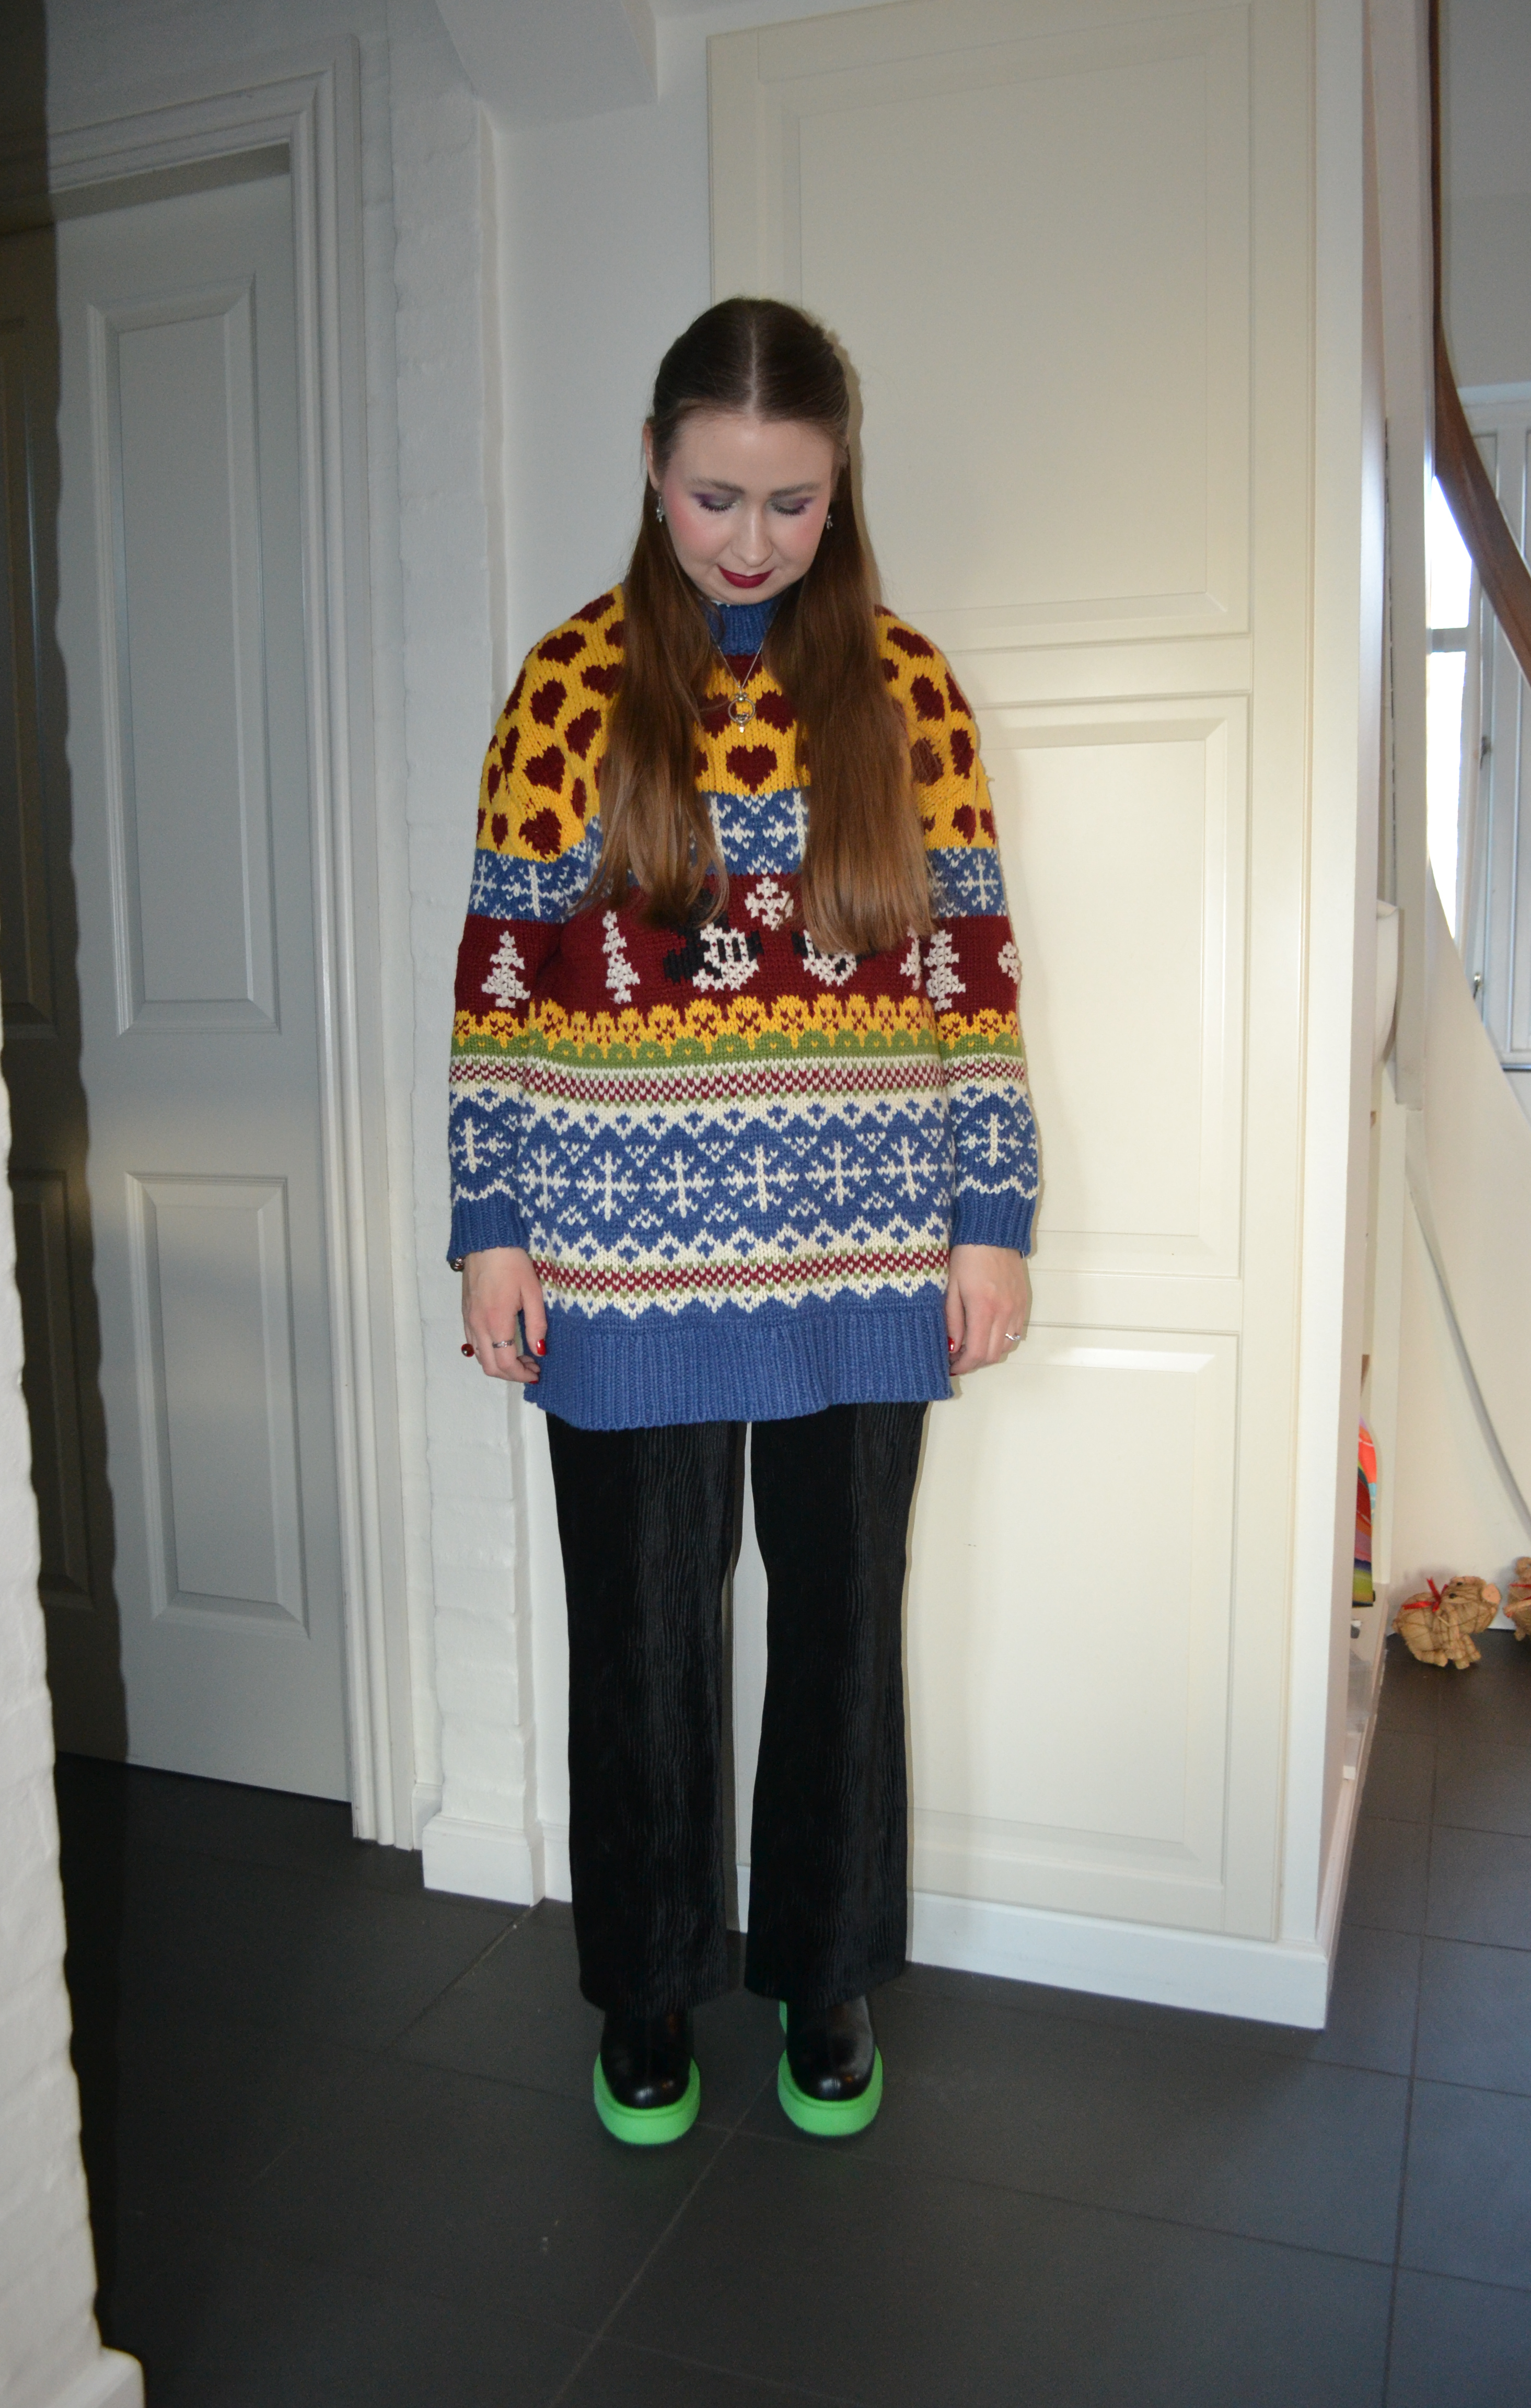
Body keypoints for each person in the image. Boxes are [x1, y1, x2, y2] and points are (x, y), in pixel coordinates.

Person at [447, 298, 1038, 2146]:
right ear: (652, 466)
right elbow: (500, 973)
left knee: (844, 1624)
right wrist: (490, 1220)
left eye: (794, 500)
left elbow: (973, 970)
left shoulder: (910, 691)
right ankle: (646, 1987)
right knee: (642, 1632)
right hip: (620, 1256)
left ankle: (823, 1969)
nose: (755, 541)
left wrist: (991, 1213)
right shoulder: (567, 687)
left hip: (867, 1245)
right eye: (718, 497)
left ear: (840, 483)